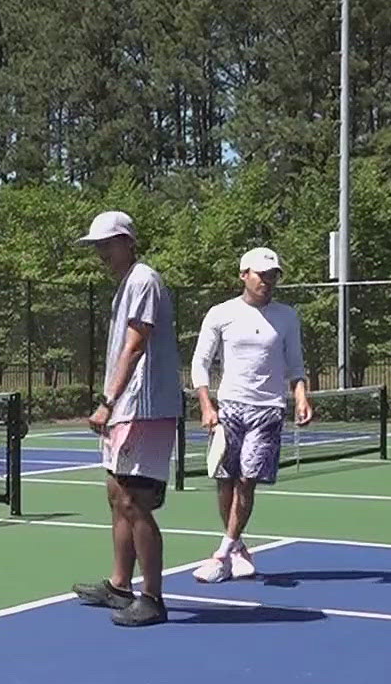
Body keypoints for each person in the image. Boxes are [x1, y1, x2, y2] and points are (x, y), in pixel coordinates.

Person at [71, 210, 184, 627]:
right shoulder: (127, 285)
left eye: (107, 243)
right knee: (116, 495)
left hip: (145, 408)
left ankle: (152, 598)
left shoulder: (143, 281)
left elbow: (135, 346)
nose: (100, 251)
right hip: (128, 410)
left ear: (128, 242)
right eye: (96, 245)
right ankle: (121, 587)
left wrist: (107, 400)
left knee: (135, 501)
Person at [187, 246, 313, 584]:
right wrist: (206, 404)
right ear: (244, 275)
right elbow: (200, 363)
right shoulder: (220, 314)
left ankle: (222, 553)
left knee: (247, 479)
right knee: (225, 481)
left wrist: (301, 395)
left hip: (268, 410)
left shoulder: (287, 316)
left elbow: (295, 364)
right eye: (261, 275)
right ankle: (239, 547)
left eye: (273, 276)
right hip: (229, 408)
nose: (267, 282)